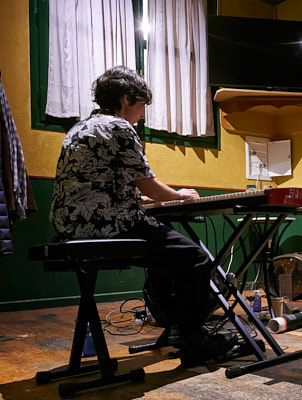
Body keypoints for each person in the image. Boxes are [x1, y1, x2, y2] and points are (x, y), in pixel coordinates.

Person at [49, 66, 236, 366]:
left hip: (71, 226)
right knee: (196, 258)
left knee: (165, 258)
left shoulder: (79, 128)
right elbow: (148, 184)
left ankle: (176, 327)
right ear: (126, 99)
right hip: (108, 227)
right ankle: (193, 341)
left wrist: (145, 199)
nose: (142, 114)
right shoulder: (120, 128)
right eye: (141, 106)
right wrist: (180, 195)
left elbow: (108, 186)